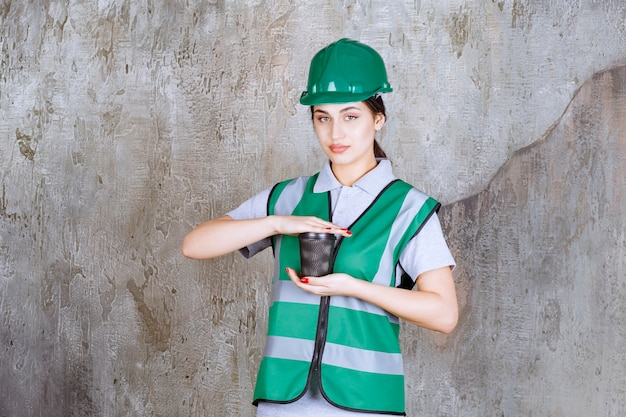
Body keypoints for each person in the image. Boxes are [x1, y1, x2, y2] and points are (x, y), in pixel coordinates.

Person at [182, 38, 458, 416]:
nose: (335, 134)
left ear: (378, 118)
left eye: (350, 116)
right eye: (322, 117)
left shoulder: (409, 209)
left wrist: (353, 287)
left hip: (365, 400)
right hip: (282, 398)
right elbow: (194, 245)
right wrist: (278, 222)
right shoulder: (288, 197)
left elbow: (443, 314)